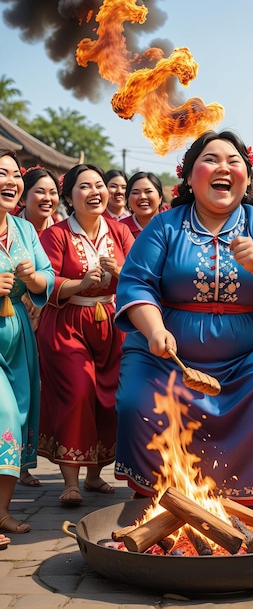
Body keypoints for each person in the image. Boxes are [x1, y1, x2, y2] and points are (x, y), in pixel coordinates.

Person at [114, 130, 253, 506]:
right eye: (211, 159)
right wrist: (154, 328)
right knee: (137, 399)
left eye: (234, 161)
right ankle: (166, 497)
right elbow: (136, 284)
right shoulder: (165, 226)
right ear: (190, 177)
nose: (223, 167)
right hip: (169, 353)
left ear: (246, 176)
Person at [37, 164, 134, 505]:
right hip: (66, 324)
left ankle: (95, 475)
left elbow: (139, 278)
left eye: (99, 185)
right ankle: (71, 480)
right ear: (69, 197)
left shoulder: (121, 232)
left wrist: (119, 272)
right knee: (78, 392)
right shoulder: (56, 234)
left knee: (108, 399)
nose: (95, 191)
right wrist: (80, 284)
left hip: (111, 322)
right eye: (84, 186)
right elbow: (44, 282)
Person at [0, 149, 54, 535]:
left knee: (16, 421)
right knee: (2, 415)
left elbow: (47, 277)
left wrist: (33, 279)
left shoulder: (24, 230)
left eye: (16, 174)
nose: (11, 181)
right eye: (1, 173)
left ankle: (1, 511)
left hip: (18, 339)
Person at [16, 165, 61, 487]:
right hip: (20, 317)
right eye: (40, 192)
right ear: (25, 196)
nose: (47, 199)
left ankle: (24, 458)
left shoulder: (60, 229)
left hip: (53, 316)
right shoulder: (17, 229)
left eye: (53, 192)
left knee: (34, 393)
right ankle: (18, 465)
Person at [120, 171, 163, 238]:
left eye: (148, 191)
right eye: (135, 193)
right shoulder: (120, 228)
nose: (143, 197)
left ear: (160, 198)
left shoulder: (169, 226)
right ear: (127, 198)